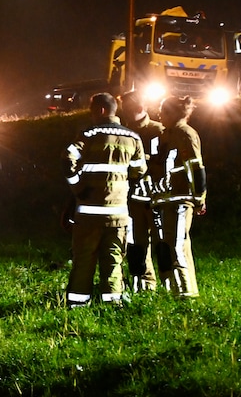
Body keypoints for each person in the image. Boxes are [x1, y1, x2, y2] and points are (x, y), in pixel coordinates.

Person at [63, 92, 146, 308]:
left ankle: (78, 304)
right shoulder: (134, 138)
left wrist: (78, 189)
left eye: (92, 111)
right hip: (118, 214)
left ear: (100, 110)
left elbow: (67, 159)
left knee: (83, 260)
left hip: (88, 214)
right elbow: (139, 172)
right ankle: (112, 303)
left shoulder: (87, 135)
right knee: (113, 260)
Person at [150, 96, 206, 298]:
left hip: (180, 199)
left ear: (173, 113)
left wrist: (199, 197)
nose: (159, 115)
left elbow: (195, 166)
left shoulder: (185, 134)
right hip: (164, 199)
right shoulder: (166, 135)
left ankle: (186, 291)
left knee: (177, 244)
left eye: (162, 111)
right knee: (164, 245)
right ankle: (170, 288)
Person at [119, 91, 164, 292]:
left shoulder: (158, 131)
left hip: (156, 195)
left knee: (163, 241)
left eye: (128, 107)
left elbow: (163, 162)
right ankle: (145, 283)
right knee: (136, 242)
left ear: (140, 107)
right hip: (133, 197)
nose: (125, 111)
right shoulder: (122, 131)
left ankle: (170, 282)